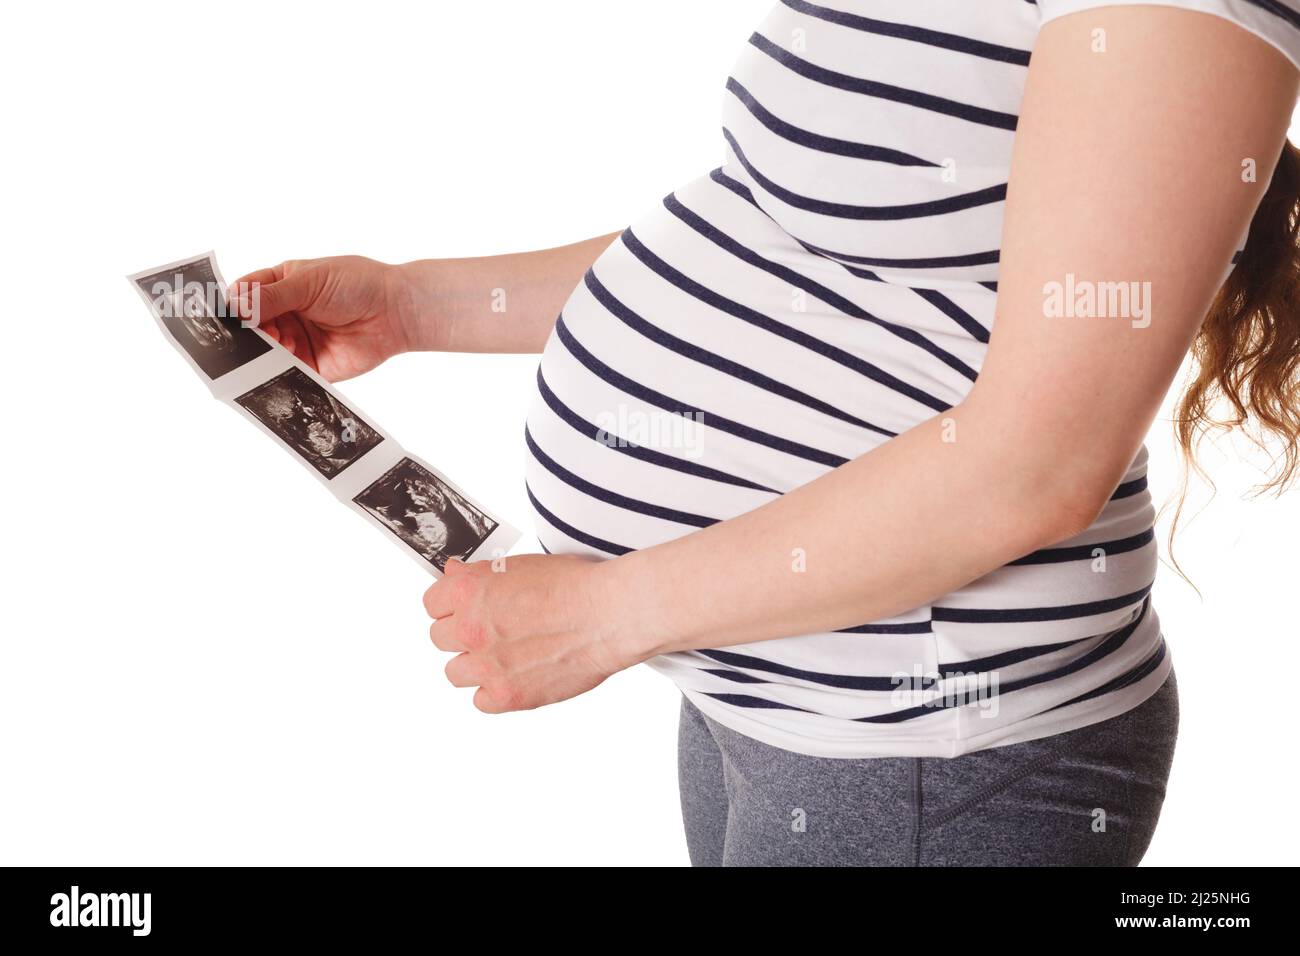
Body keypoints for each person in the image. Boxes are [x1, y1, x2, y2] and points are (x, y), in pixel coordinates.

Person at [232, 1, 1300, 865]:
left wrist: (611, 612)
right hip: (757, 687)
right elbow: (783, 233)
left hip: (934, 746)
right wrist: (416, 306)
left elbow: (1040, 465)